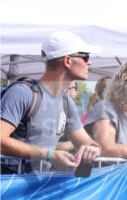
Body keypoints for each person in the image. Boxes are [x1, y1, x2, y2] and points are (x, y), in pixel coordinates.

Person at [1, 31, 102, 174]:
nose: (89, 62)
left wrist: (93, 148)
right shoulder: (22, 93)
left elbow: (85, 141)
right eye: (85, 57)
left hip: (41, 185)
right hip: (10, 185)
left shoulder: (67, 102)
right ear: (68, 61)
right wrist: (49, 155)